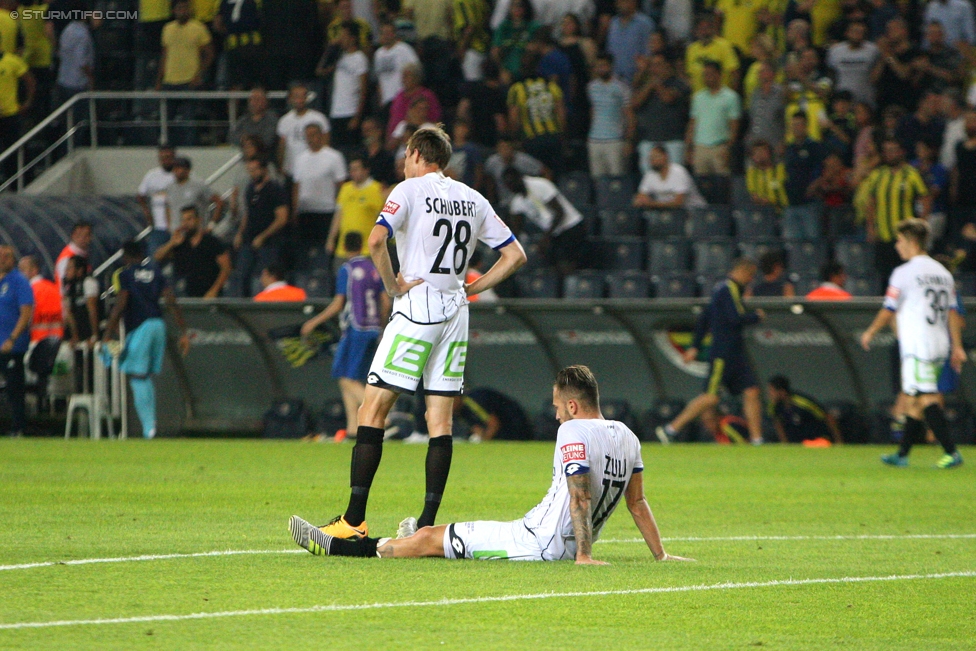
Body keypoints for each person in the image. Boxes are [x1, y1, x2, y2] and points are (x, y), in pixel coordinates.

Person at [309, 126, 526, 541]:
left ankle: (353, 521)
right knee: (439, 420)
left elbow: (376, 242)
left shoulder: (407, 190)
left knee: (371, 411)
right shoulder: (472, 197)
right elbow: (515, 255)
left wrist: (392, 286)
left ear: (413, 154)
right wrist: (473, 287)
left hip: (417, 309)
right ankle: (427, 525)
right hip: (455, 313)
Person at [290, 365, 693, 565]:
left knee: (432, 541)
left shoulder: (573, 433)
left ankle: (347, 550)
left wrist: (584, 556)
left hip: (536, 541)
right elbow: (637, 503)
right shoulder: (628, 434)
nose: (555, 417)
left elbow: (580, 495)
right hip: (549, 540)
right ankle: (404, 534)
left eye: (557, 408)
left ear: (572, 405)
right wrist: (660, 555)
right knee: (432, 533)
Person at [860, 219, 965, 469]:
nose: (897, 246)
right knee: (915, 401)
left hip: (918, 343)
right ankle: (903, 454)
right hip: (939, 342)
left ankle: (952, 452)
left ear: (912, 242)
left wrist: (871, 331)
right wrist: (957, 346)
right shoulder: (943, 273)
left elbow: (889, 309)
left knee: (926, 397)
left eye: (899, 241)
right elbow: (952, 312)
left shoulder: (904, 272)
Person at [656, 258, 766, 445]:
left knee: (752, 392)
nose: (751, 279)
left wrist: (694, 346)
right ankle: (670, 429)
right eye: (751, 275)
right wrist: (756, 316)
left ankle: (757, 439)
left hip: (736, 354)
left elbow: (705, 318)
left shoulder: (723, 290)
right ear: (743, 271)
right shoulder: (728, 289)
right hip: (724, 354)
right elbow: (734, 318)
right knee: (710, 397)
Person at [301, 232, 388, 436]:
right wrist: (381, 325)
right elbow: (386, 303)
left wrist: (313, 322)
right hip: (373, 329)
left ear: (343, 247)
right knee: (352, 377)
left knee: (344, 376)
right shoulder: (374, 269)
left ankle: (382, 416)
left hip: (355, 328)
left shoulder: (347, 269)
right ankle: (352, 428)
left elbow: (339, 303)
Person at [105, 241, 189, 440]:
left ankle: (148, 428)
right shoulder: (156, 272)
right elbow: (170, 299)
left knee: (136, 376)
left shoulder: (125, 274)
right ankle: (151, 425)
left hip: (141, 327)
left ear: (125, 257)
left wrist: (107, 334)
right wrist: (184, 331)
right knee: (145, 376)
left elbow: (121, 302)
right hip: (158, 325)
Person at [861, 138, 930, 280]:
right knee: (885, 277)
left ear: (901, 152)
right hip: (884, 235)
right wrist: (870, 228)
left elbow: (925, 198)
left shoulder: (911, 174)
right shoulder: (877, 175)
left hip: (906, 237)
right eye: (886, 151)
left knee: (909, 275)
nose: (889, 154)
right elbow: (870, 203)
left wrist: (922, 222)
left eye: (892, 150)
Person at [503, 167, 584, 275]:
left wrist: (546, 238)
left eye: (511, 182)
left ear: (519, 178)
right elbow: (516, 227)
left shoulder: (539, 185)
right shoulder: (516, 202)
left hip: (571, 227)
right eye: (507, 184)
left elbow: (560, 213)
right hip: (554, 233)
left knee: (566, 266)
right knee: (550, 267)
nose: (510, 187)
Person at [234, 158, 290, 297]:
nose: (252, 174)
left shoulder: (275, 190)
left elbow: (281, 218)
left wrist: (263, 236)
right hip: (249, 239)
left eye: (254, 170)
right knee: (242, 275)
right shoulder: (250, 188)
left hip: (269, 243)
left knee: (262, 278)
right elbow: (248, 212)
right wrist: (240, 233)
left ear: (264, 169)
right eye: (249, 171)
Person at [154, 206, 232, 298]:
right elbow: (157, 257)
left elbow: (226, 267)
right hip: (184, 295)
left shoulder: (211, 241)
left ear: (198, 220)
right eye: (183, 220)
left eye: (189, 219)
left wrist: (214, 290)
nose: (186, 223)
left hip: (208, 295)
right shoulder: (180, 244)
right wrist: (171, 243)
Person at [291, 123, 347, 251]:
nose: (310, 138)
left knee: (324, 247)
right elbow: (296, 186)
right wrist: (295, 210)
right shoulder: (300, 159)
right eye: (307, 136)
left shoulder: (334, 157)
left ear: (321, 135)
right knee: (305, 248)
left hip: (326, 210)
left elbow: (341, 185)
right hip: (305, 211)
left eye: (313, 135)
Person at [507, 56, 566, 176]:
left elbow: (514, 118)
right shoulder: (551, 86)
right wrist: (562, 135)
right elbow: (561, 114)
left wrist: (515, 138)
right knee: (557, 173)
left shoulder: (517, 89)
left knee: (536, 174)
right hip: (553, 136)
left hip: (532, 139)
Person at [685, 60, 741, 178]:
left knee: (722, 185)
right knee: (701, 185)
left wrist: (729, 149)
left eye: (710, 74)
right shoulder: (698, 97)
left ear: (719, 75)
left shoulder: (731, 97)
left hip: (720, 147)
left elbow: (734, 126)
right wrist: (689, 148)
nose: (707, 77)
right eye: (705, 75)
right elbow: (692, 123)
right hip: (700, 147)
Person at [0, 245, 32, 437]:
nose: (3, 259)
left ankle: (19, 428)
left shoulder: (19, 281)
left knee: (14, 388)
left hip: (12, 346)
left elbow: (26, 312)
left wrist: (12, 338)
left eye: (7, 256)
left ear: (13, 259)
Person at [326, 156, 385, 261]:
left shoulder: (376, 189)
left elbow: (382, 219)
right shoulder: (345, 189)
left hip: (366, 250)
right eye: (351, 169)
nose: (352, 172)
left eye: (356, 169)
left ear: (366, 170)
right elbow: (338, 215)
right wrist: (331, 239)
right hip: (343, 250)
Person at [586, 52, 633, 178]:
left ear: (611, 66)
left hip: (615, 140)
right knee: (597, 179)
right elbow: (593, 110)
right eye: (598, 66)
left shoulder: (621, 87)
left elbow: (629, 115)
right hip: (594, 140)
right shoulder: (591, 87)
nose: (601, 69)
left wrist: (628, 141)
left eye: (604, 65)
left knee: (616, 178)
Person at [327, 22, 369, 150]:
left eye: (344, 36)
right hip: (336, 111)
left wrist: (357, 116)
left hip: (351, 111)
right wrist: (331, 49)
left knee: (351, 148)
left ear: (352, 38)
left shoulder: (359, 58)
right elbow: (321, 70)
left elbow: (363, 89)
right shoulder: (339, 57)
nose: (341, 39)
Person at [783, 112, 825, 240]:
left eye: (799, 125)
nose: (796, 128)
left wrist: (815, 184)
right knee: (792, 243)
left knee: (811, 241)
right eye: (793, 125)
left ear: (806, 126)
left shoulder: (814, 146)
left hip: (809, 203)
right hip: (791, 203)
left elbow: (824, 169)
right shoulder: (789, 148)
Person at [766, 375, 842, 445]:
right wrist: (785, 443)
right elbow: (777, 423)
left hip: (817, 440)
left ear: (782, 392)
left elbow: (828, 417)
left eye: (771, 391)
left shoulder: (803, 402)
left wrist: (838, 441)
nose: (769, 394)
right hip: (797, 443)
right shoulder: (773, 406)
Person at [276, 84, 330, 182]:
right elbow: (282, 146)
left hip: (313, 171)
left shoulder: (319, 118)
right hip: (291, 171)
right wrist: (281, 166)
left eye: (302, 96)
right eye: (296, 96)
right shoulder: (284, 121)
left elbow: (325, 144)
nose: (299, 100)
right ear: (290, 99)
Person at [632, 145, 706, 209]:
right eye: (650, 158)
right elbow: (640, 196)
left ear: (665, 157)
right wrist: (640, 200)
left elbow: (678, 202)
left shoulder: (679, 172)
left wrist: (651, 204)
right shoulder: (650, 174)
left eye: (655, 157)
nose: (652, 161)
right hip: (669, 214)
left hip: (693, 211)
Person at [372, 21, 420, 120]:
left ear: (394, 34)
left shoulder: (404, 49)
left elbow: (416, 71)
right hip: (386, 101)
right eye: (383, 33)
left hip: (402, 98)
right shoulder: (378, 54)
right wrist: (381, 99)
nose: (386, 36)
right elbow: (379, 79)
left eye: (388, 32)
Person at [165, 157, 224, 233]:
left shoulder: (198, 185)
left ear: (188, 170)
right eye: (174, 168)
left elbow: (219, 201)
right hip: (177, 233)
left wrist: (211, 225)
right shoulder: (170, 187)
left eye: (179, 168)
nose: (176, 170)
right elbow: (168, 207)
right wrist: (169, 226)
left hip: (197, 233)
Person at [826, 21, 878, 107]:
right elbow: (831, 72)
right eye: (855, 31)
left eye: (861, 32)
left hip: (866, 97)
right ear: (847, 33)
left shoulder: (873, 49)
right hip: (842, 98)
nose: (858, 35)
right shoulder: (835, 50)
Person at [137, 146, 177, 256]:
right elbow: (140, 195)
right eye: (162, 158)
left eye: (168, 157)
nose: (166, 160)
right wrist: (146, 212)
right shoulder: (152, 175)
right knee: (153, 259)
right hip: (158, 227)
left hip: (178, 227)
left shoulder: (179, 175)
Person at [455, 387, 532, 441]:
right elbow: (476, 427)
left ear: (457, 397)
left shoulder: (470, 401)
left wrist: (483, 441)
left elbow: (494, 424)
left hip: (513, 422)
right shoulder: (459, 411)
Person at [605, 0, 654, 83]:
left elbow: (649, 50)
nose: (622, 4)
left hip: (636, 77)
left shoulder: (645, 23)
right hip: (614, 77)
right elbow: (609, 48)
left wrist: (641, 72)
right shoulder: (613, 23)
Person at [17, 255, 62, 341]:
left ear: (34, 270)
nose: (19, 274)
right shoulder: (54, 288)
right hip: (58, 340)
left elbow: (25, 318)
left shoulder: (28, 291)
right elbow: (66, 314)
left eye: (22, 270)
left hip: (36, 341)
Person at [228, 88, 279, 152]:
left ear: (265, 101)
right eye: (252, 99)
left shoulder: (272, 120)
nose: (254, 103)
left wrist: (249, 140)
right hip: (244, 156)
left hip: (266, 156)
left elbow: (268, 140)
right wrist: (243, 141)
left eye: (258, 100)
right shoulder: (243, 120)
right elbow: (232, 137)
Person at [745, 140, 788, 211]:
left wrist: (771, 200)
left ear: (770, 153)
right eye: (756, 152)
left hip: (783, 211)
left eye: (762, 151)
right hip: (762, 213)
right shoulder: (751, 173)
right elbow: (753, 193)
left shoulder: (781, 169)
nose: (759, 154)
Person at [54, 221, 92, 290]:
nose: (83, 239)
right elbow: (64, 285)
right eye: (79, 235)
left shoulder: (83, 254)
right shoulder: (67, 258)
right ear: (73, 236)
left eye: (86, 235)